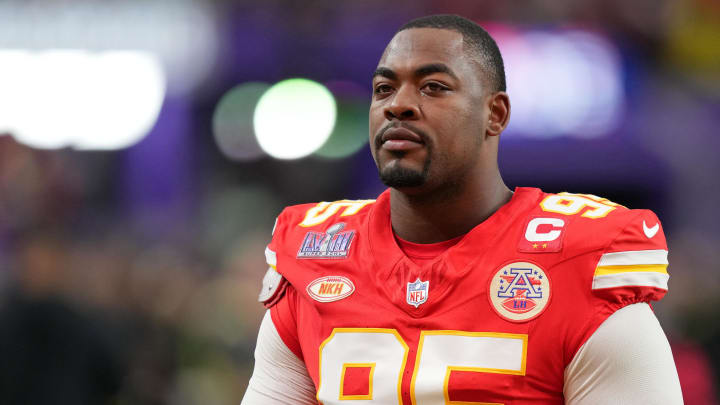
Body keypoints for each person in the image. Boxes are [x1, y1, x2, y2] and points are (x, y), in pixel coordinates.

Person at [241, 14, 683, 404]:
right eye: (383, 88)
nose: (398, 105)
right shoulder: (315, 257)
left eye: (433, 87)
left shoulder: (577, 262)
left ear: (495, 114)